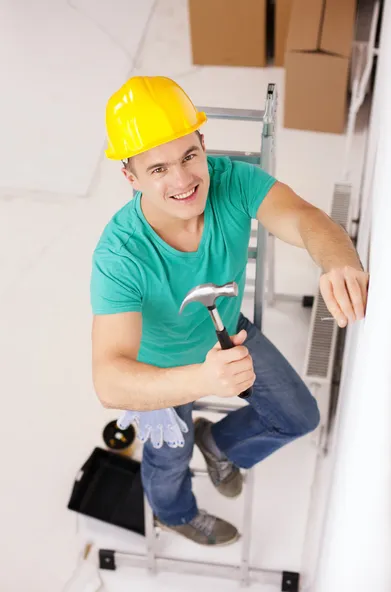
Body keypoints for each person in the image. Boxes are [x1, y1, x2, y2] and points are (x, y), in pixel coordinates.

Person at [90, 76, 369, 546]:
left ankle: (219, 444)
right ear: (130, 177)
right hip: (159, 371)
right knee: (168, 459)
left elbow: (305, 218)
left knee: (298, 416)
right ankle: (174, 513)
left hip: (226, 334)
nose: (182, 181)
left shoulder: (235, 183)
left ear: (203, 144)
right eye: (158, 170)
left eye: (188, 157)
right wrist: (201, 380)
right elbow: (109, 380)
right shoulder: (120, 255)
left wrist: (339, 258)